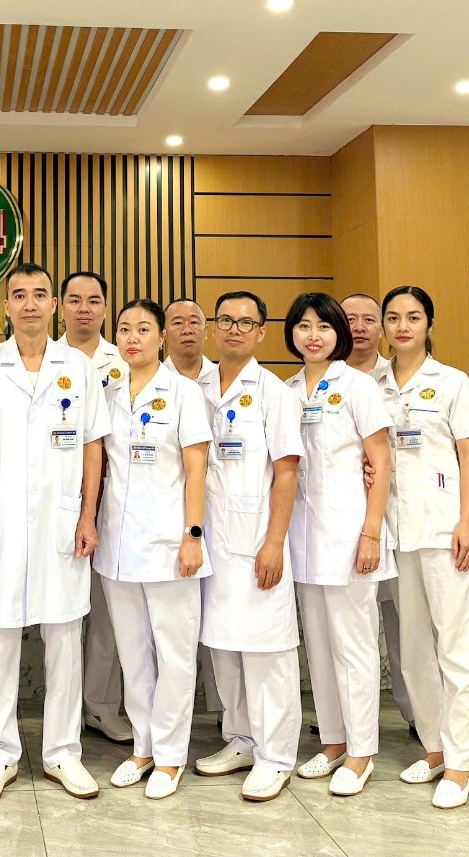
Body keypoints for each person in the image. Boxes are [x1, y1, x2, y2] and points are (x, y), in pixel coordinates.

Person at [0, 263, 111, 804]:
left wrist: (87, 514)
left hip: (62, 520)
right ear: (5, 306)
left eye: (41, 294)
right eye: (19, 295)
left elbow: (93, 445)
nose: (31, 304)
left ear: (55, 305)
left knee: (65, 636)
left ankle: (63, 752)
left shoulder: (81, 367)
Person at [374, 286, 469, 809]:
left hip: (446, 531)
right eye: (393, 317)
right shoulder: (371, 383)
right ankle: (436, 746)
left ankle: (463, 762)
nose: (402, 326)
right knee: (414, 650)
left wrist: (467, 520)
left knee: (457, 648)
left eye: (413, 317)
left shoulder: (453, 382)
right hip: (397, 533)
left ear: (429, 323)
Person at [95, 299, 211, 800]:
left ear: (161, 336)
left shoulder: (183, 394)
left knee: (175, 654)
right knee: (133, 653)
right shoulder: (107, 393)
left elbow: (197, 468)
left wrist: (192, 535)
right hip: (117, 544)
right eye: (124, 329)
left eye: (143, 328)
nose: (132, 337)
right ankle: (142, 746)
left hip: (169, 543)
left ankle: (169, 756)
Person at [191, 291, 303, 803]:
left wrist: (274, 541)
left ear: (261, 332)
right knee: (225, 646)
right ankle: (239, 739)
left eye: (246, 322)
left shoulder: (274, 392)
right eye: (226, 320)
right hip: (211, 539)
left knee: (267, 651)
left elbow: (287, 470)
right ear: (214, 328)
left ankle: (275, 755)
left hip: (257, 536)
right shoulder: (198, 386)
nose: (234, 329)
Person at [284, 293, 394, 797]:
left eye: (323, 327)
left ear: (338, 334)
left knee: (354, 645)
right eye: (304, 326)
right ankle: (331, 741)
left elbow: (380, 459)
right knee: (321, 646)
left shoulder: (358, 385)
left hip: (351, 533)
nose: (313, 335)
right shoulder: (286, 390)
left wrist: (371, 530)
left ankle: (361, 750)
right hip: (303, 537)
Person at [57, 269, 132, 745]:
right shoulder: (42, 358)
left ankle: (101, 707)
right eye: (75, 299)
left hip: (115, 497)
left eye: (94, 300)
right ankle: (60, 710)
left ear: (106, 308)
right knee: (60, 614)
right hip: (56, 497)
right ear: (60, 307)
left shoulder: (124, 360)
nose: (84, 308)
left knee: (108, 612)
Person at [342, 291, 413, 734]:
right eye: (351, 319)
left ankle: (417, 714)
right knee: (351, 631)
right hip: (346, 525)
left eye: (371, 319)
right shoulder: (312, 383)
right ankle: (349, 723)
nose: (361, 328)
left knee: (408, 627)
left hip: (403, 519)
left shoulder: (400, 378)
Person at [162, 297, 222, 715]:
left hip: (221, 517)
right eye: (177, 322)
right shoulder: (141, 381)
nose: (187, 329)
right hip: (166, 522)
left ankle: (225, 716)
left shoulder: (226, 379)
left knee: (219, 623)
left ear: (207, 329)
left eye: (195, 321)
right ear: (163, 332)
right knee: (162, 634)